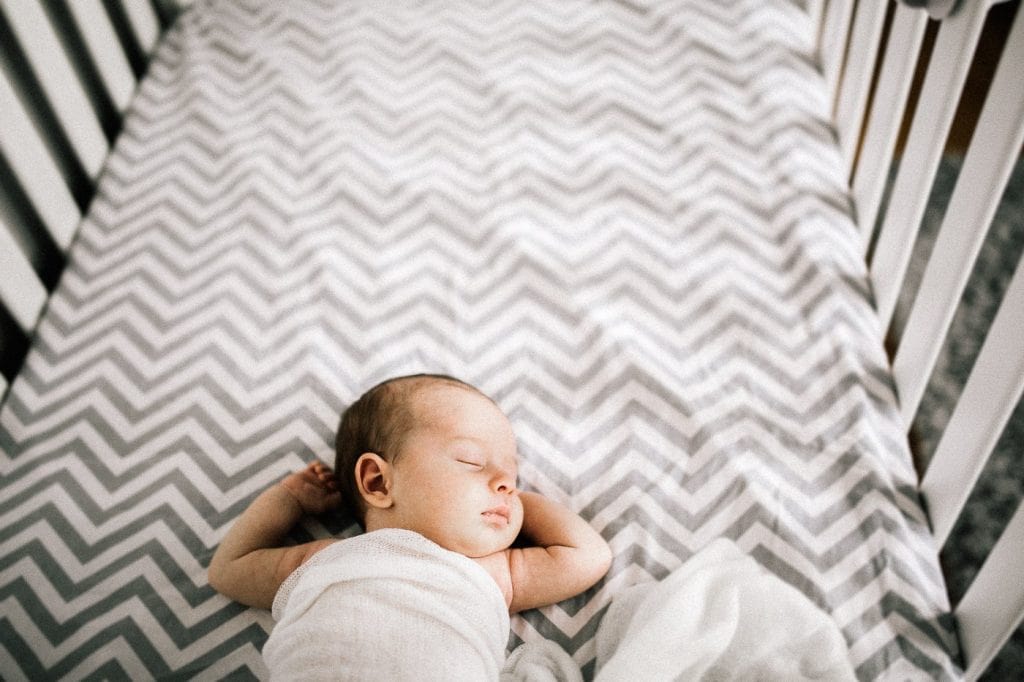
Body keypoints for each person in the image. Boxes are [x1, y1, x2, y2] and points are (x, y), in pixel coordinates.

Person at [208, 373, 612, 679]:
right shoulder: (326, 559)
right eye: (471, 461)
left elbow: (588, 556)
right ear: (378, 482)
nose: (506, 482)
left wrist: (519, 498)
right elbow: (228, 570)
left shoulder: (491, 573)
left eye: (513, 474)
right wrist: (289, 500)